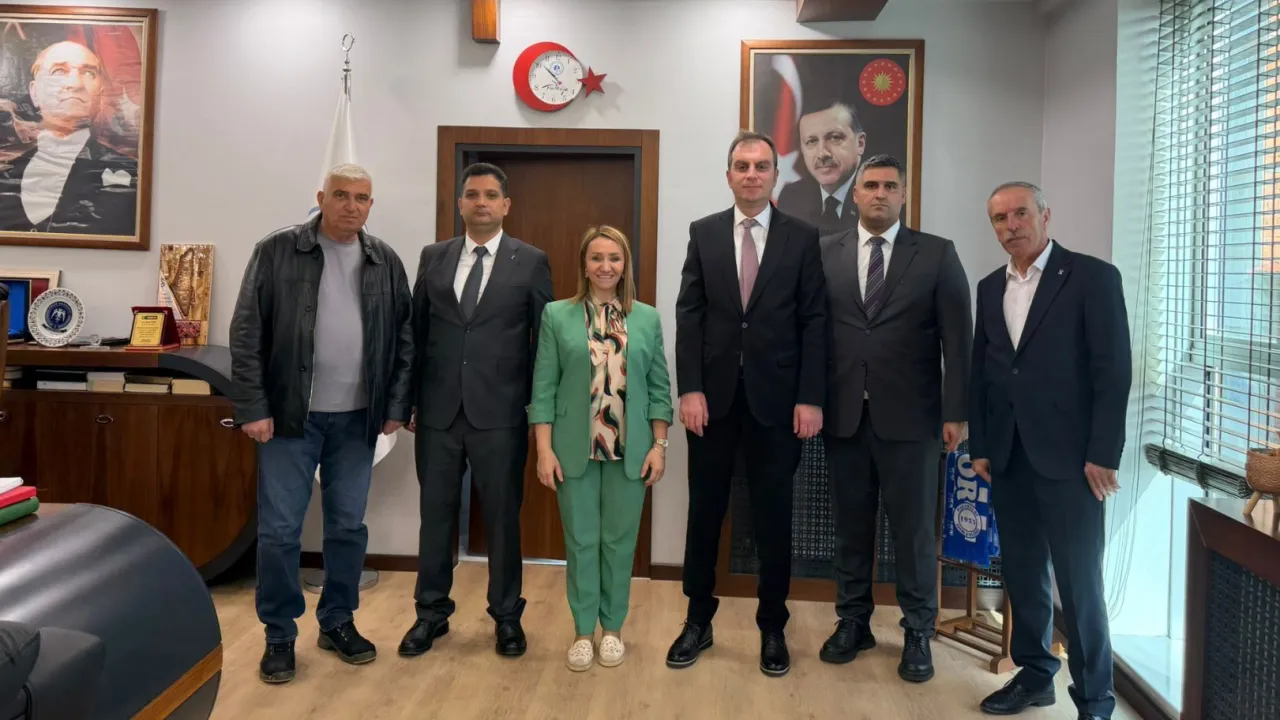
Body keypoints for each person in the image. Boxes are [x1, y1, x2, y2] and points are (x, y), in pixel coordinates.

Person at [228, 163, 415, 684]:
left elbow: (405, 339)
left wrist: (397, 404)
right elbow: (247, 332)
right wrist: (254, 406)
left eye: (362, 198)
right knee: (280, 531)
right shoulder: (277, 251)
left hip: (358, 420)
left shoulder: (384, 260)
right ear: (321, 197)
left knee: (347, 527)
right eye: (341, 195)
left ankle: (337, 621)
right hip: (290, 418)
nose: (352, 206)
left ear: (371, 205)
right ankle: (279, 634)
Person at [668, 129, 826, 678]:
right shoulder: (704, 232)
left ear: (775, 175)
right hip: (710, 403)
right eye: (742, 166)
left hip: (778, 404)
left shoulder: (802, 237)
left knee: (773, 518)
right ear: (729, 175)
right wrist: (689, 388)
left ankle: (773, 626)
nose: (752, 174)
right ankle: (697, 619)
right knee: (705, 513)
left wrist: (810, 397)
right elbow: (689, 313)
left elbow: (814, 320)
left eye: (761, 166)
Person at [969, 182, 1129, 720]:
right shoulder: (989, 287)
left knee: (1080, 585)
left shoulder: (1092, 278)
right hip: (1009, 458)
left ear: (1045, 215)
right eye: (999, 219)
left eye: (1020, 213)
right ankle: (1036, 675)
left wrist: (1103, 451)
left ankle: (1095, 700)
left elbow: (1113, 370)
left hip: (1073, 462)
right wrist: (982, 444)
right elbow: (983, 370)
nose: (1010, 225)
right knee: (1022, 573)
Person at [816, 154, 972, 683]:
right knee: (850, 527)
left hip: (913, 420)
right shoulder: (826, 252)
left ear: (903, 194)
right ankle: (853, 621)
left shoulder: (937, 254)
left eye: (890, 186)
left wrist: (956, 412)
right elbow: (814, 332)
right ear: (855, 195)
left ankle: (918, 631)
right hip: (844, 417)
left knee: (913, 532)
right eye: (871, 185)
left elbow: (959, 340)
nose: (880, 193)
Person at [399, 162, 553, 659]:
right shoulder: (434, 257)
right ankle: (430, 614)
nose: (481, 202)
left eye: (490, 195)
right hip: (438, 413)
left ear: (506, 205)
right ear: (460, 203)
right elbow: (416, 333)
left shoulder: (531, 262)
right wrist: (408, 401)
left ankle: (507, 617)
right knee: (435, 516)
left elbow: (543, 344)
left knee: (504, 518)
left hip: (501, 414)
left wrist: (539, 412)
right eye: (472, 194)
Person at [529, 225, 673, 672]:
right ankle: (582, 631)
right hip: (574, 450)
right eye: (597, 258)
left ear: (625, 265)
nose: (605, 266)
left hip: (632, 451)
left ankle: (612, 629)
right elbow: (543, 387)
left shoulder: (646, 318)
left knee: (619, 543)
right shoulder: (557, 315)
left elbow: (659, 387)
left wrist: (660, 445)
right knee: (581, 542)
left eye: (614, 258)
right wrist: (544, 450)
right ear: (584, 265)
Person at [0, 40, 139, 236]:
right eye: (58, 71)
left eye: (88, 73)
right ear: (34, 92)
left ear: (100, 94)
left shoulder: (130, 171)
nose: (75, 84)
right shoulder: (6, 169)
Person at [776, 100, 865, 235]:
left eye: (834, 138)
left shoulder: (881, 196)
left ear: (860, 144)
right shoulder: (792, 198)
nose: (822, 153)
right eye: (811, 141)